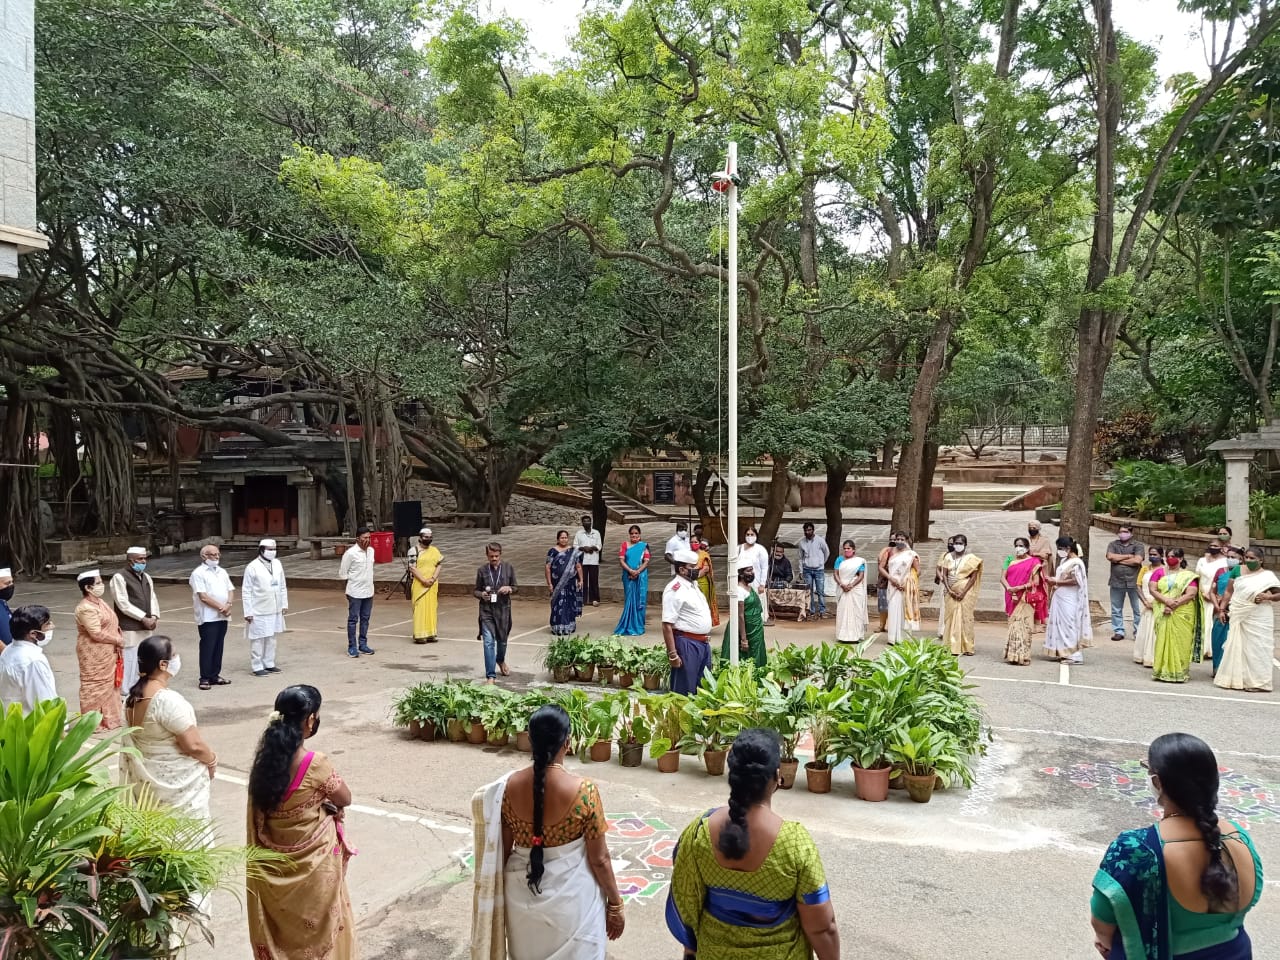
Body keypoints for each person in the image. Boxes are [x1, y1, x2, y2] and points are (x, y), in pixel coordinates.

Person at [667, 730, 839, 960]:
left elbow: (687, 903)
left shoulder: (699, 834)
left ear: (733, 774)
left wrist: (691, 952)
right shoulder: (795, 843)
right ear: (777, 776)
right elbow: (822, 927)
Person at [470, 705, 625, 960]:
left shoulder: (506, 789)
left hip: (522, 902)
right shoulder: (584, 792)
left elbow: (503, 853)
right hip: (574, 903)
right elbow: (600, 860)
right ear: (568, 742)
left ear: (530, 740)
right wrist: (616, 905)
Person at [1091, 733, 1262, 960]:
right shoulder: (1239, 838)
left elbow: (1102, 925)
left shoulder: (1135, 849)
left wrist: (1106, 942)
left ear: (1157, 782)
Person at [247, 685, 357, 960]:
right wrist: (325, 804)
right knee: (321, 932)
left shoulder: (264, 764)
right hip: (314, 868)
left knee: (285, 933)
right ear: (310, 720)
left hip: (274, 872)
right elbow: (344, 797)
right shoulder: (314, 763)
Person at [122, 635, 217, 821]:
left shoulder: (130, 699)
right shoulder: (167, 701)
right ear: (163, 665)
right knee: (184, 837)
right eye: (174, 655)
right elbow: (193, 745)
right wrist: (212, 760)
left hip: (147, 785)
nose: (177, 658)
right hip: (176, 790)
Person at [1215, 547, 1280, 693]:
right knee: (1239, 646)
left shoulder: (1268, 576)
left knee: (1258, 648)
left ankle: (1259, 682)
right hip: (1239, 612)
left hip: (1260, 615)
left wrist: (1267, 597)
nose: (1249, 560)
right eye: (1247, 557)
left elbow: (1278, 594)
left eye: (1252, 558)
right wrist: (1221, 609)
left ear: (1261, 560)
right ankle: (1239, 679)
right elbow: (1228, 591)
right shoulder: (1237, 570)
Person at [74, 569, 124, 731]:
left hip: (108, 651)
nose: (102, 585)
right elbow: (95, 633)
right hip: (93, 653)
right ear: (88, 588)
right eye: (98, 583)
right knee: (94, 685)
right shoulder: (86, 608)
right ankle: (93, 723)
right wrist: (117, 639)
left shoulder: (99, 602)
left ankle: (110, 720)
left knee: (110, 685)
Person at [662, 548, 714, 695]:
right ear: (682, 570)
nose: (697, 570)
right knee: (684, 691)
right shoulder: (675, 589)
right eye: (692, 567)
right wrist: (673, 654)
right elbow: (667, 624)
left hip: (702, 644)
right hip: (686, 643)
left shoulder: (693, 585)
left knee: (703, 689)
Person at [110, 546, 159, 695]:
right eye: (140, 559)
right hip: (129, 627)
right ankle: (125, 691)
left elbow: (153, 598)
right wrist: (142, 618)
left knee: (143, 658)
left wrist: (154, 616)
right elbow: (122, 603)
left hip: (146, 626)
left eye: (144, 558)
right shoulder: (119, 577)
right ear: (131, 561)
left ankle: (138, 688)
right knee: (129, 659)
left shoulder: (146, 577)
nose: (143, 561)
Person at [1151, 547, 1202, 684]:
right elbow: (1153, 589)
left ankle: (1179, 671)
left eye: (1173, 556)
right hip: (1162, 608)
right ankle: (1162, 670)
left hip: (1182, 611)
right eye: (1167, 556)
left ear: (1180, 559)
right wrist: (1166, 601)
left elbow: (1191, 593)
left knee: (1181, 640)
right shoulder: (1159, 572)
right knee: (1162, 638)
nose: (1169, 558)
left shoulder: (1188, 575)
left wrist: (1174, 604)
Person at [190, 544, 234, 691]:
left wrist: (228, 604)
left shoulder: (222, 572)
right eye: (213, 555)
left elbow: (230, 589)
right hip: (208, 617)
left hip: (223, 615)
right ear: (204, 557)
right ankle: (204, 677)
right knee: (208, 646)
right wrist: (221, 608)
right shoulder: (198, 573)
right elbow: (203, 596)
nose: (216, 557)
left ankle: (215, 674)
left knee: (218, 645)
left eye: (218, 554)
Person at [243, 538, 288, 678]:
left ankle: (269, 663)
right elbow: (246, 590)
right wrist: (248, 611)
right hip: (259, 609)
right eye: (269, 549)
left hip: (275, 607)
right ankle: (257, 665)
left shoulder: (277, 563)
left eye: (274, 549)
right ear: (261, 550)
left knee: (272, 637)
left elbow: (282, 585)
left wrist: (284, 603)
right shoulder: (252, 567)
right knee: (258, 638)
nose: (272, 552)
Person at [0, 604, 58, 714]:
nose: (52, 626)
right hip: (29, 724)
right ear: (33, 634)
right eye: (47, 624)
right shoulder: (33, 661)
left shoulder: (8, 650)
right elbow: (45, 701)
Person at [1044, 537, 1091, 664]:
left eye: (1060, 548)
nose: (1059, 551)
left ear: (1068, 548)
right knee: (1061, 625)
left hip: (1070, 598)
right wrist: (1053, 579)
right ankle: (1062, 651)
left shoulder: (1076, 563)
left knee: (1069, 624)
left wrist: (1057, 581)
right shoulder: (1065, 560)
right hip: (1060, 596)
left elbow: (1076, 580)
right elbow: (1062, 576)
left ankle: (1075, 654)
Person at [476, 541, 518, 683]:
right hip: (486, 610)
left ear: (500, 555)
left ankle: (500, 660)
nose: (494, 559)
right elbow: (475, 590)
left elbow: (516, 587)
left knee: (502, 641)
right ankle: (490, 675)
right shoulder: (482, 570)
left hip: (503, 609)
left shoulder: (508, 568)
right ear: (486, 555)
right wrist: (481, 594)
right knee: (488, 642)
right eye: (491, 556)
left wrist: (509, 589)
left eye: (496, 556)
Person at [1001, 538, 1047, 666]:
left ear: (1027, 548)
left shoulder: (1034, 562)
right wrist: (1009, 588)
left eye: (1021, 545)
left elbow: (1036, 582)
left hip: (1025, 598)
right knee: (1013, 626)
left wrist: (1020, 588)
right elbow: (1002, 578)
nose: (1018, 548)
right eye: (1016, 545)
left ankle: (1024, 656)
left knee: (1024, 628)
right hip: (1011, 596)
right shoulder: (1010, 560)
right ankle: (1013, 655)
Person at [939, 534, 983, 656]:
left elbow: (973, 578)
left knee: (965, 618)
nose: (958, 545)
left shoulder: (971, 559)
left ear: (965, 544)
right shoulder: (948, 557)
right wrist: (949, 590)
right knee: (951, 618)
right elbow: (944, 576)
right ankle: (950, 646)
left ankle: (967, 646)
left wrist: (963, 592)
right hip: (950, 591)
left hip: (965, 593)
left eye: (960, 543)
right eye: (956, 543)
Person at [722, 553, 766, 667]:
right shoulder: (739, 590)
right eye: (748, 570)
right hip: (745, 630)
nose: (752, 573)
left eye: (752, 570)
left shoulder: (749, 587)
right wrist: (744, 639)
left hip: (755, 629)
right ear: (741, 574)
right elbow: (740, 615)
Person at [338, 526, 376, 659]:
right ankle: (352, 647)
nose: (367, 540)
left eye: (369, 537)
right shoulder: (350, 553)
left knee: (365, 619)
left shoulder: (371, 551)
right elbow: (343, 574)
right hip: (355, 592)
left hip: (368, 591)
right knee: (353, 619)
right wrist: (349, 590)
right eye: (365, 538)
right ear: (357, 539)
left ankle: (363, 644)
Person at [1105, 524, 1145, 643]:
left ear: (1131, 533)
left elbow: (1137, 560)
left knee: (1137, 608)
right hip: (1116, 581)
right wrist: (1128, 556)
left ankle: (1138, 631)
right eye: (1121, 532)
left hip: (1135, 582)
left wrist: (1118, 560)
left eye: (1125, 532)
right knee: (1116, 608)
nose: (1122, 534)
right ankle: (1118, 631)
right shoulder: (1113, 544)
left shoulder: (1138, 545)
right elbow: (1110, 556)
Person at [1209, 546, 1243, 675]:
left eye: (1233, 557)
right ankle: (1217, 668)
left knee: (1232, 641)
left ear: (1241, 559)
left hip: (1235, 610)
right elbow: (1212, 591)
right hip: (1219, 610)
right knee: (1217, 639)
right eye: (1228, 557)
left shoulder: (1243, 573)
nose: (1230, 559)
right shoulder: (1220, 571)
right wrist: (1217, 605)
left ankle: (1231, 671)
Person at [882, 531, 920, 645]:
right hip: (892, 585)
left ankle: (904, 638)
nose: (899, 541)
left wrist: (907, 581)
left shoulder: (911, 554)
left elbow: (918, 571)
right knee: (893, 609)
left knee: (904, 610)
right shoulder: (889, 552)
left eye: (902, 539)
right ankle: (892, 637)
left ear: (907, 540)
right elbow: (881, 567)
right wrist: (891, 578)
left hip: (904, 587)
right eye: (897, 539)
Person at [407, 527, 443, 644]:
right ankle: (419, 634)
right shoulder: (413, 551)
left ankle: (431, 633)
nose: (428, 539)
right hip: (419, 584)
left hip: (432, 584)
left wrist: (432, 579)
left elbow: (439, 565)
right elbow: (412, 568)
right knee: (420, 608)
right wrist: (423, 580)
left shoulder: (435, 550)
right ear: (420, 538)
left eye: (430, 537)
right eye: (426, 537)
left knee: (431, 608)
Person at [614, 525, 651, 636]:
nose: (634, 535)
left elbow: (646, 561)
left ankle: (638, 625)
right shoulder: (625, 545)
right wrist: (630, 571)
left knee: (640, 600)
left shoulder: (644, 546)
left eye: (636, 533)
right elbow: (621, 560)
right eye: (632, 533)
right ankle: (627, 624)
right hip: (628, 576)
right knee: (629, 599)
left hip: (641, 576)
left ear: (640, 535)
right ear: (629, 535)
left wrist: (637, 572)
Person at [1133, 546, 1166, 668]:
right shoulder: (1145, 569)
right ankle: (1142, 655)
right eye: (1150, 554)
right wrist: (1145, 602)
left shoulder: (1164, 570)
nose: (1152, 556)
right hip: (1146, 603)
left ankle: (1153, 656)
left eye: (1155, 554)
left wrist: (1158, 602)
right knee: (1145, 628)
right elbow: (1138, 586)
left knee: (1155, 630)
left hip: (1159, 603)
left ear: (1161, 555)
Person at [546, 530, 583, 637]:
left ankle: (569, 626)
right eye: (562, 538)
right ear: (558, 539)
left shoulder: (573, 551)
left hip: (570, 583)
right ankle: (557, 627)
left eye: (566, 537)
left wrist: (581, 580)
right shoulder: (552, 551)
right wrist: (549, 583)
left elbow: (578, 566)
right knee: (558, 603)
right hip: (557, 583)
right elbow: (548, 567)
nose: (564, 539)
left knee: (569, 603)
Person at [1196, 539, 1231, 646]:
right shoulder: (1201, 560)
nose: (1213, 548)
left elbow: (1225, 579)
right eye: (1211, 545)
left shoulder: (1225, 561)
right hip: (1202, 594)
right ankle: (1202, 646)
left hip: (1217, 596)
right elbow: (1197, 577)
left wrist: (1217, 596)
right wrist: (1202, 592)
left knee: (1214, 622)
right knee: (1202, 621)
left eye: (1216, 546)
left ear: (1221, 548)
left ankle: (1212, 647)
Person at [833, 540, 867, 645]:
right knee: (843, 611)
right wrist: (842, 584)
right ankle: (842, 635)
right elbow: (836, 574)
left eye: (849, 548)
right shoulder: (839, 560)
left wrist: (851, 585)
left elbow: (861, 575)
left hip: (855, 589)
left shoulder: (859, 561)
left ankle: (855, 635)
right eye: (845, 548)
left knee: (856, 611)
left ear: (853, 550)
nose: (846, 550)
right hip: (843, 587)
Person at [798, 523, 830, 620]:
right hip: (807, 569)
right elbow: (800, 558)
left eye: (810, 530)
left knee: (820, 591)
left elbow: (827, 552)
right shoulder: (801, 543)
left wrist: (821, 563)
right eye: (806, 530)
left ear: (813, 530)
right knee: (809, 591)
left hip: (819, 570)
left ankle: (822, 611)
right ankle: (811, 611)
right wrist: (800, 571)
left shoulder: (820, 540)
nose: (808, 532)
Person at [739, 528, 771, 624]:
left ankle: (760, 619)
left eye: (752, 534)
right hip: (742, 582)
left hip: (756, 581)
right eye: (747, 534)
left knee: (758, 600)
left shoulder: (760, 549)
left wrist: (762, 584)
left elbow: (764, 568)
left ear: (756, 535)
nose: (750, 537)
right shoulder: (739, 548)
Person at [573, 515, 603, 607]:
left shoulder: (596, 533)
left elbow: (599, 545)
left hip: (593, 560)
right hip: (582, 560)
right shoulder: (579, 533)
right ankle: (583, 599)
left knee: (594, 580)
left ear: (591, 522)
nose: (587, 523)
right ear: (582, 523)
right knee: (582, 580)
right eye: (585, 521)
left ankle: (595, 599)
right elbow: (575, 545)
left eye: (588, 521)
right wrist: (583, 548)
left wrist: (592, 548)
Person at [694, 535, 720, 628]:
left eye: (695, 542)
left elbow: (705, 569)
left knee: (703, 605)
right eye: (691, 542)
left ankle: (703, 626)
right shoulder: (687, 554)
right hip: (689, 583)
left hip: (702, 583)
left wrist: (694, 575)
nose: (693, 544)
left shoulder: (703, 555)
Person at [875, 537, 894, 633]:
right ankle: (882, 625)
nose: (894, 541)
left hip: (897, 583)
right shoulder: (885, 551)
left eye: (896, 539)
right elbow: (880, 564)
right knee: (883, 605)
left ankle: (893, 626)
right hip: (884, 581)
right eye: (892, 539)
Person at [0, 567, 14, 647]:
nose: (11, 585)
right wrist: (6, 654)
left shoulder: (3, 602)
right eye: (7, 583)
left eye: (12, 582)